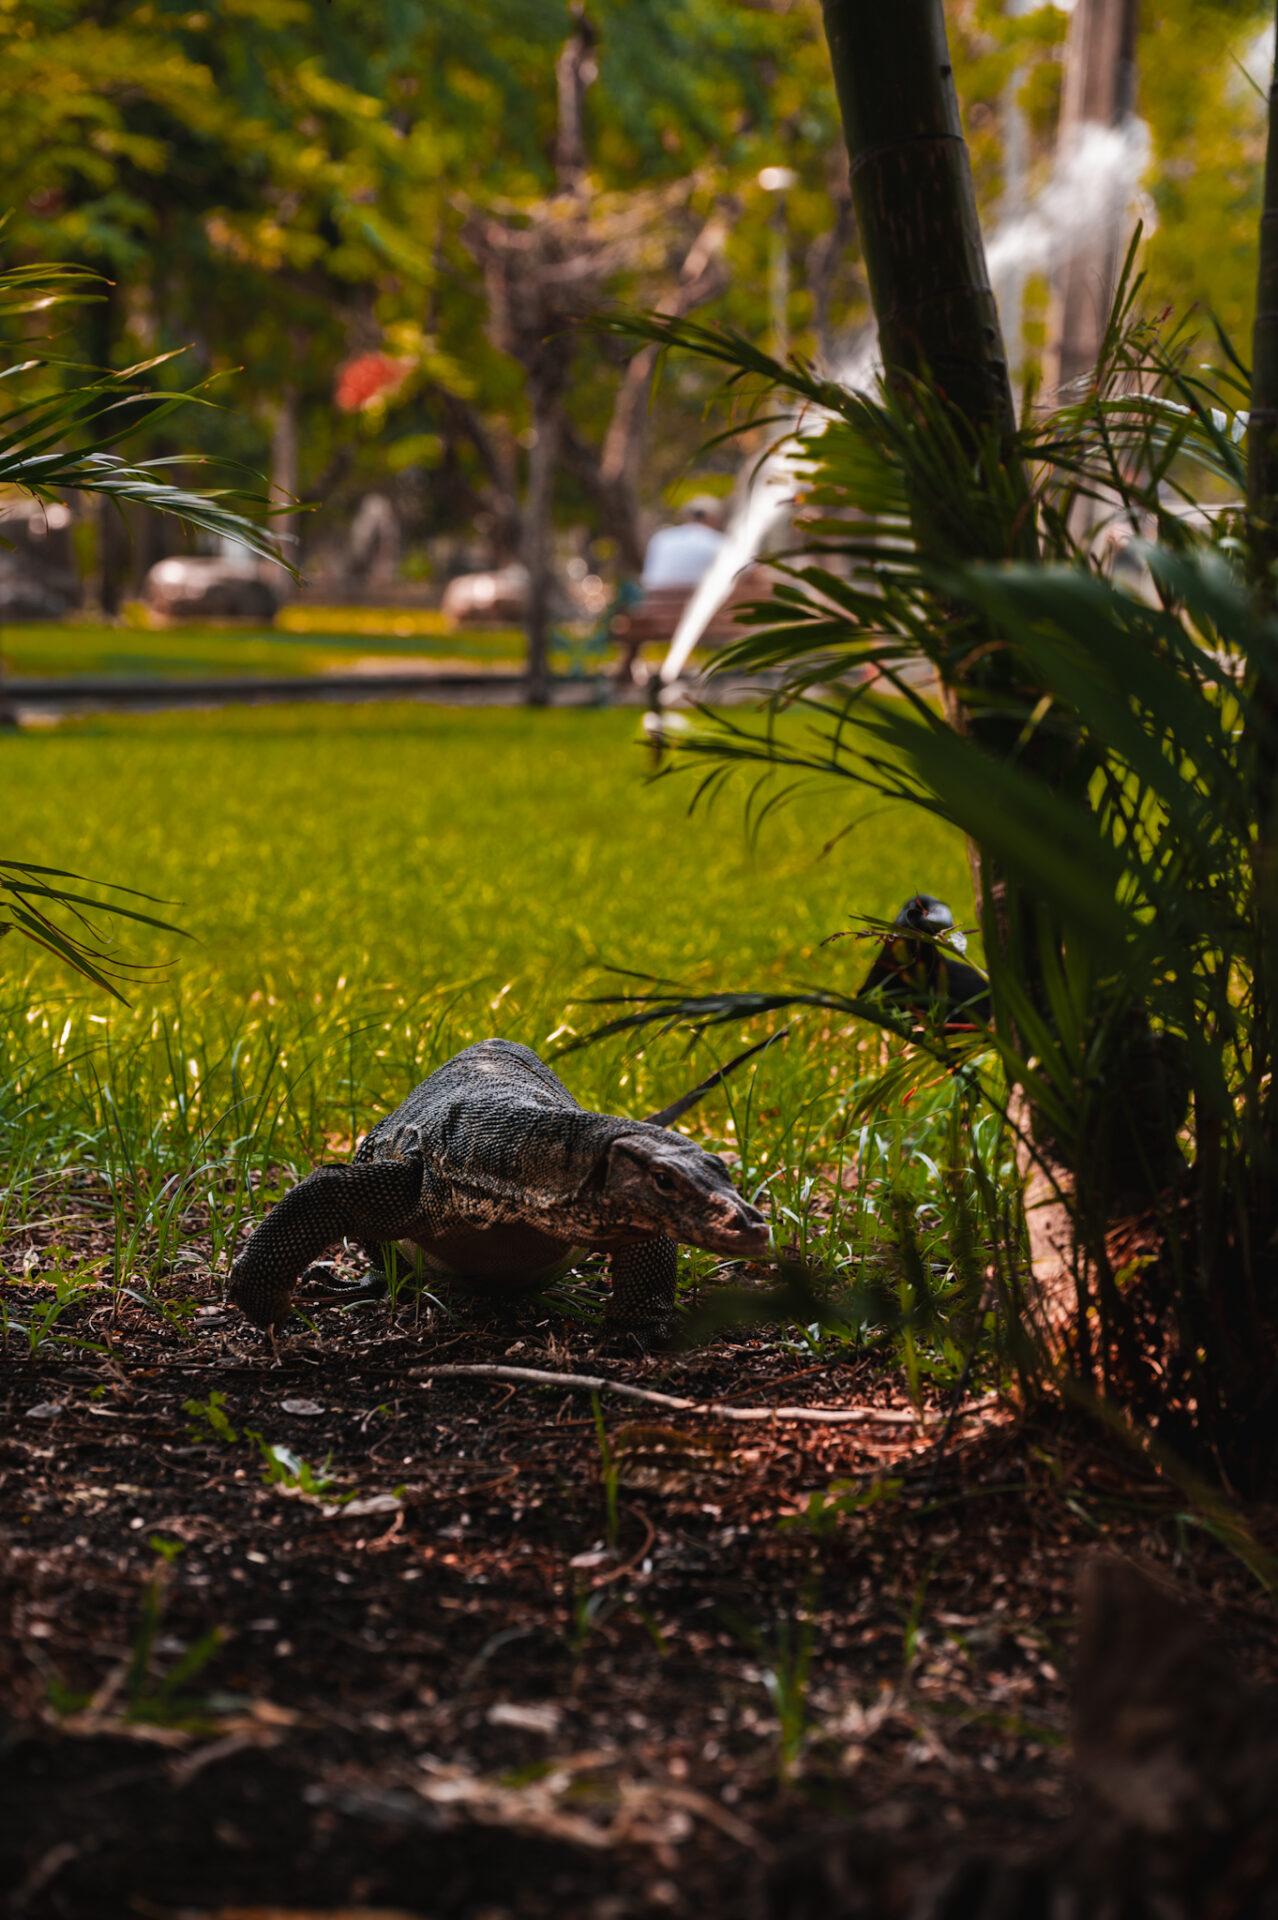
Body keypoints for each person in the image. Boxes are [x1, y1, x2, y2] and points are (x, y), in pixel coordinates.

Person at [639, 495, 726, 589]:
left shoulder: (662, 538)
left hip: (656, 600)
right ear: (712, 518)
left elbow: (648, 579)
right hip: (699, 600)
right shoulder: (720, 541)